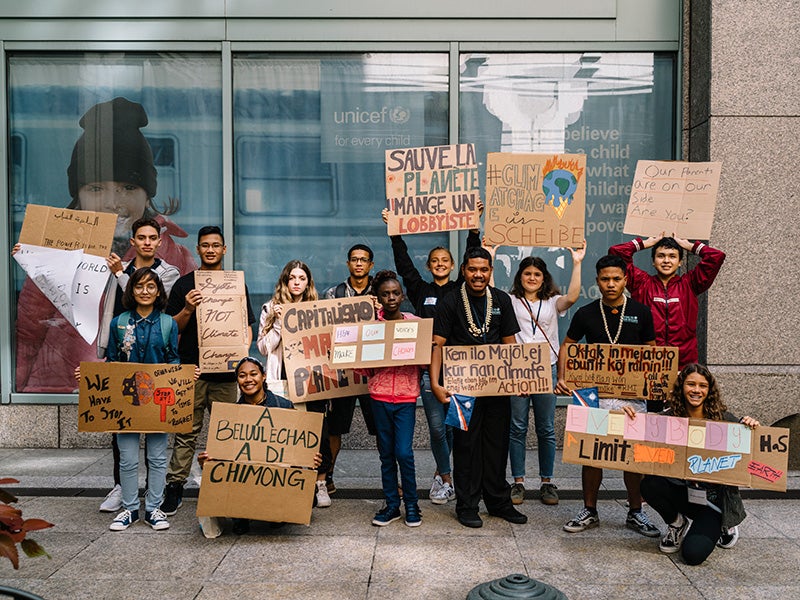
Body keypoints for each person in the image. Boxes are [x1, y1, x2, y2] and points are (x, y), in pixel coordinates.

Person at [15, 96, 195, 394]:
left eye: (128, 187)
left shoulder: (176, 257)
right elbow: (29, 333)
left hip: (145, 392)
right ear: (79, 195)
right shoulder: (56, 251)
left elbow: (186, 334)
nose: (113, 202)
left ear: (147, 195)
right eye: (97, 188)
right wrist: (20, 392)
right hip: (63, 388)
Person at [382, 205, 483, 505]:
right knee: (437, 428)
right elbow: (404, 266)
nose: (440, 264)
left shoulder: (460, 290)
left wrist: (474, 231)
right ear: (429, 267)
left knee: (452, 426)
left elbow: (472, 259)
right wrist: (395, 231)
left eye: (445, 261)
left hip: (459, 369)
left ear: (453, 266)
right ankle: (447, 478)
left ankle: (442, 472)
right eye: (434, 261)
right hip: (429, 369)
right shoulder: (419, 288)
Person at [556, 254, 660, 537]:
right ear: (597, 281)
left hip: (631, 398)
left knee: (633, 456)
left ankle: (636, 511)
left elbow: (651, 351)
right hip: (594, 397)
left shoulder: (641, 311)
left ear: (625, 280)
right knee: (592, 453)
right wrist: (563, 377)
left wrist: (653, 384)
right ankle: (589, 509)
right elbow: (568, 345)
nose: (611, 284)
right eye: (605, 279)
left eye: (616, 279)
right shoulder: (586, 313)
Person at [160, 226, 256, 515]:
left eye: (216, 245)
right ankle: (175, 487)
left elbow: (246, 328)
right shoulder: (183, 285)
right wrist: (188, 308)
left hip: (226, 375)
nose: (211, 249)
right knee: (186, 432)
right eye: (205, 245)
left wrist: (241, 357)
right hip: (192, 372)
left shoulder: (236, 284)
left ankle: (226, 485)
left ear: (224, 250)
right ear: (199, 250)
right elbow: (169, 329)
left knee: (227, 434)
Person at [429, 247, 527, 528]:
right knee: (466, 447)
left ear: (490, 271)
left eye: (484, 270)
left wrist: (520, 377)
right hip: (461, 389)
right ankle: (467, 504)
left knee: (497, 444)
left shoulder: (501, 300)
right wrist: (435, 383)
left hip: (496, 388)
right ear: (463, 270)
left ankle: (498, 502)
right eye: (473, 269)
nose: (478, 275)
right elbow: (438, 344)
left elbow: (511, 344)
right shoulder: (450, 301)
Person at [76, 268, 179, 531]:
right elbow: (112, 362)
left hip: (157, 401)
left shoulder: (168, 323)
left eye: (151, 287)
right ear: (131, 290)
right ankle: (131, 509)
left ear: (159, 292)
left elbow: (173, 360)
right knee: (128, 458)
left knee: (157, 458)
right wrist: (88, 374)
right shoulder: (119, 322)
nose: (145, 291)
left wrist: (186, 375)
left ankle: (154, 508)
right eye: (139, 286)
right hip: (126, 401)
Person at [94, 217, 181, 513]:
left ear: (159, 241)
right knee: (122, 432)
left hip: (154, 359)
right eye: (141, 237)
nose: (147, 242)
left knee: (156, 442)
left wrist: (120, 274)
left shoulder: (169, 272)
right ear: (132, 241)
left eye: (152, 237)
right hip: (122, 350)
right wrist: (31, 256)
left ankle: (153, 500)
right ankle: (122, 489)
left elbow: (151, 300)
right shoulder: (116, 267)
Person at [637, 364, 758, 565]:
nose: (696, 390)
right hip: (683, 494)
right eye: (690, 384)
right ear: (681, 387)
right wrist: (628, 417)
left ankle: (723, 525)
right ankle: (677, 523)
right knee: (649, 484)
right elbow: (641, 432)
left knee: (693, 555)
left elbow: (748, 450)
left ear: (709, 390)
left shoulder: (724, 420)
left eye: (702, 386)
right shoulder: (669, 417)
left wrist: (751, 426)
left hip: (712, 502)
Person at [197, 356, 323, 537]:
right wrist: (208, 461)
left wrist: (310, 457)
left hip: (274, 476)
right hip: (246, 478)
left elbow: (297, 446)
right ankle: (241, 517)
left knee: (306, 496)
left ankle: (276, 513)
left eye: (253, 374)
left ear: (263, 376)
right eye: (242, 376)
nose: (248, 380)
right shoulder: (230, 415)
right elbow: (223, 455)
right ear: (237, 381)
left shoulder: (284, 406)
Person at [507, 242, 585, 507]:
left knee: (546, 428)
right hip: (518, 369)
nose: (532, 278)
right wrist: (492, 255)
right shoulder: (511, 300)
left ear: (544, 278)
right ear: (520, 277)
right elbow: (492, 292)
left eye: (537, 274)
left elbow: (573, 297)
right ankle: (518, 482)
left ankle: (546, 481)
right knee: (517, 427)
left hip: (546, 368)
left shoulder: (552, 302)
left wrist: (577, 262)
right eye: (527, 274)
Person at [256, 260, 333, 508]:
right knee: (288, 432)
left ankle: (319, 483)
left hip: (312, 380)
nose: (297, 283)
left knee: (317, 431)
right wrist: (279, 322)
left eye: (302, 278)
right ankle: (292, 481)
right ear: (285, 281)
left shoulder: (316, 308)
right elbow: (263, 348)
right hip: (283, 380)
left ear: (308, 282)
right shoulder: (270, 308)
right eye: (292, 278)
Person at [608, 232, 725, 376]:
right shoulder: (640, 282)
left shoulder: (690, 283)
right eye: (661, 256)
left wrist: (688, 245)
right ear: (653, 261)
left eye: (672, 256)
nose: (666, 261)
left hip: (683, 364)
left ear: (680, 262)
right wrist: (646, 243)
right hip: (646, 364)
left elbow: (716, 257)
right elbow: (616, 252)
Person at [358, 271, 423, 527]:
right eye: (385, 294)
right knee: (386, 454)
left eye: (395, 292)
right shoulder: (372, 328)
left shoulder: (415, 323)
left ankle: (412, 505)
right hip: (379, 397)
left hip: (406, 398)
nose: (391, 297)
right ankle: (392, 506)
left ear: (402, 294)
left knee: (404, 453)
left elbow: (426, 362)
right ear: (378, 298)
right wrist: (345, 355)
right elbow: (364, 369)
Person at [322, 244, 378, 494]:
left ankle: (391, 476)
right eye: (354, 259)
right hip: (342, 372)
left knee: (381, 427)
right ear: (348, 264)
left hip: (373, 371)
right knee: (335, 427)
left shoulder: (381, 292)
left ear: (370, 265)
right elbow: (321, 330)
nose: (358, 264)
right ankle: (329, 475)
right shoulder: (333, 294)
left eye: (363, 260)